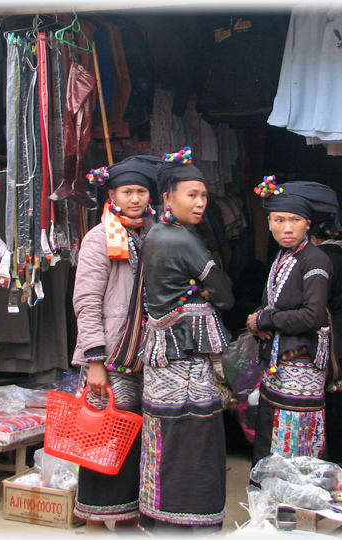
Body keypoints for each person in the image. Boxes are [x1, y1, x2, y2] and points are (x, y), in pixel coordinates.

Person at [137, 148, 234, 536]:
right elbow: (225, 294)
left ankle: (159, 516)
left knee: (165, 433)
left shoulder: (155, 234)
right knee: (195, 436)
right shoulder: (182, 240)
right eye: (191, 194)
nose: (200, 202)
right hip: (187, 362)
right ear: (167, 198)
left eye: (204, 195)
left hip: (163, 361)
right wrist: (205, 291)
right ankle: (189, 522)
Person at [71, 155, 161, 533]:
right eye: (128, 191)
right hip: (110, 357)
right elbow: (86, 300)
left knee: (137, 437)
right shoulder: (99, 237)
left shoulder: (154, 232)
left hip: (148, 355)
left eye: (142, 191)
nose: (136, 198)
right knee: (105, 437)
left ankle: (125, 520)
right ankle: (96, 520)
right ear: (112, 194)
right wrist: (94, 359)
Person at [246, 180, 340, 467]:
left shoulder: (316, 260)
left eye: (295, 220)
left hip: (301, 366)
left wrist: (265, 318)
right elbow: (278, 301)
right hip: (279, 366)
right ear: (269, 223)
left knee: (294, 439)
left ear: (307, 224)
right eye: (279, 220)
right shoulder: (285, 255)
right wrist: (260, 316)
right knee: (270, 435)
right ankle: (268, 502)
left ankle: (293, 507)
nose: (287, 228)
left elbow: (313, 315)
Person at [309, 220, 342, 464]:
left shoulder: (323, 258)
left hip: (334, 340)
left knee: (333, 403)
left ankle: (336, 457)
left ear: (314, 238)